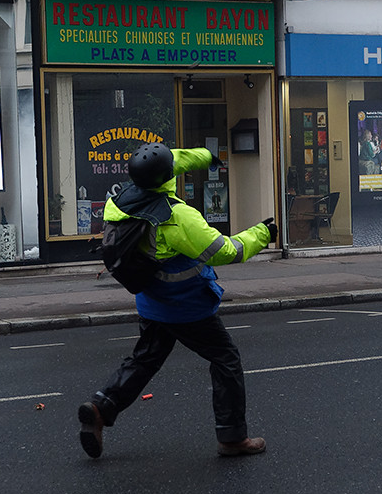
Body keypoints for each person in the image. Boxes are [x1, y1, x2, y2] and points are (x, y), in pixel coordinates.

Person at [76, 142, 273, 459]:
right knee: (226, 359)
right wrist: (262, 233)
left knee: (144, 360)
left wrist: (207, 156)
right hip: (186, 306)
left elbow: (175, 160)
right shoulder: (177, 217)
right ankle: (233, 437)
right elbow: (226, 251)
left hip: (150, 301)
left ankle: (100, 408)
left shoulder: (122, 200)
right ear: (167, 177)